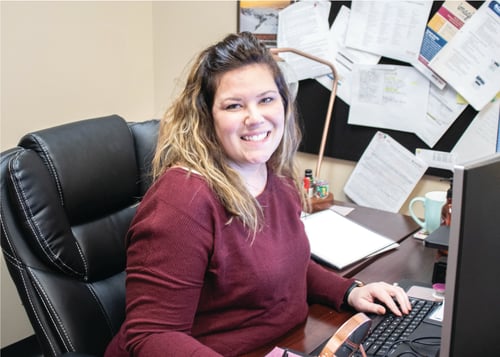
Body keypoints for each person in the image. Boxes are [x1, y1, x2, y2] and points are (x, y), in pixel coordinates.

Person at [104, 32, 411, 357]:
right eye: (234, 105)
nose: (255, 118)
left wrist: (349, 291)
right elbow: (152, 335)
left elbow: (288, 264)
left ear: (284, 103)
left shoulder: (276, 175)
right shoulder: (184, 201)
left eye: (266, 99)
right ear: (207, 117)